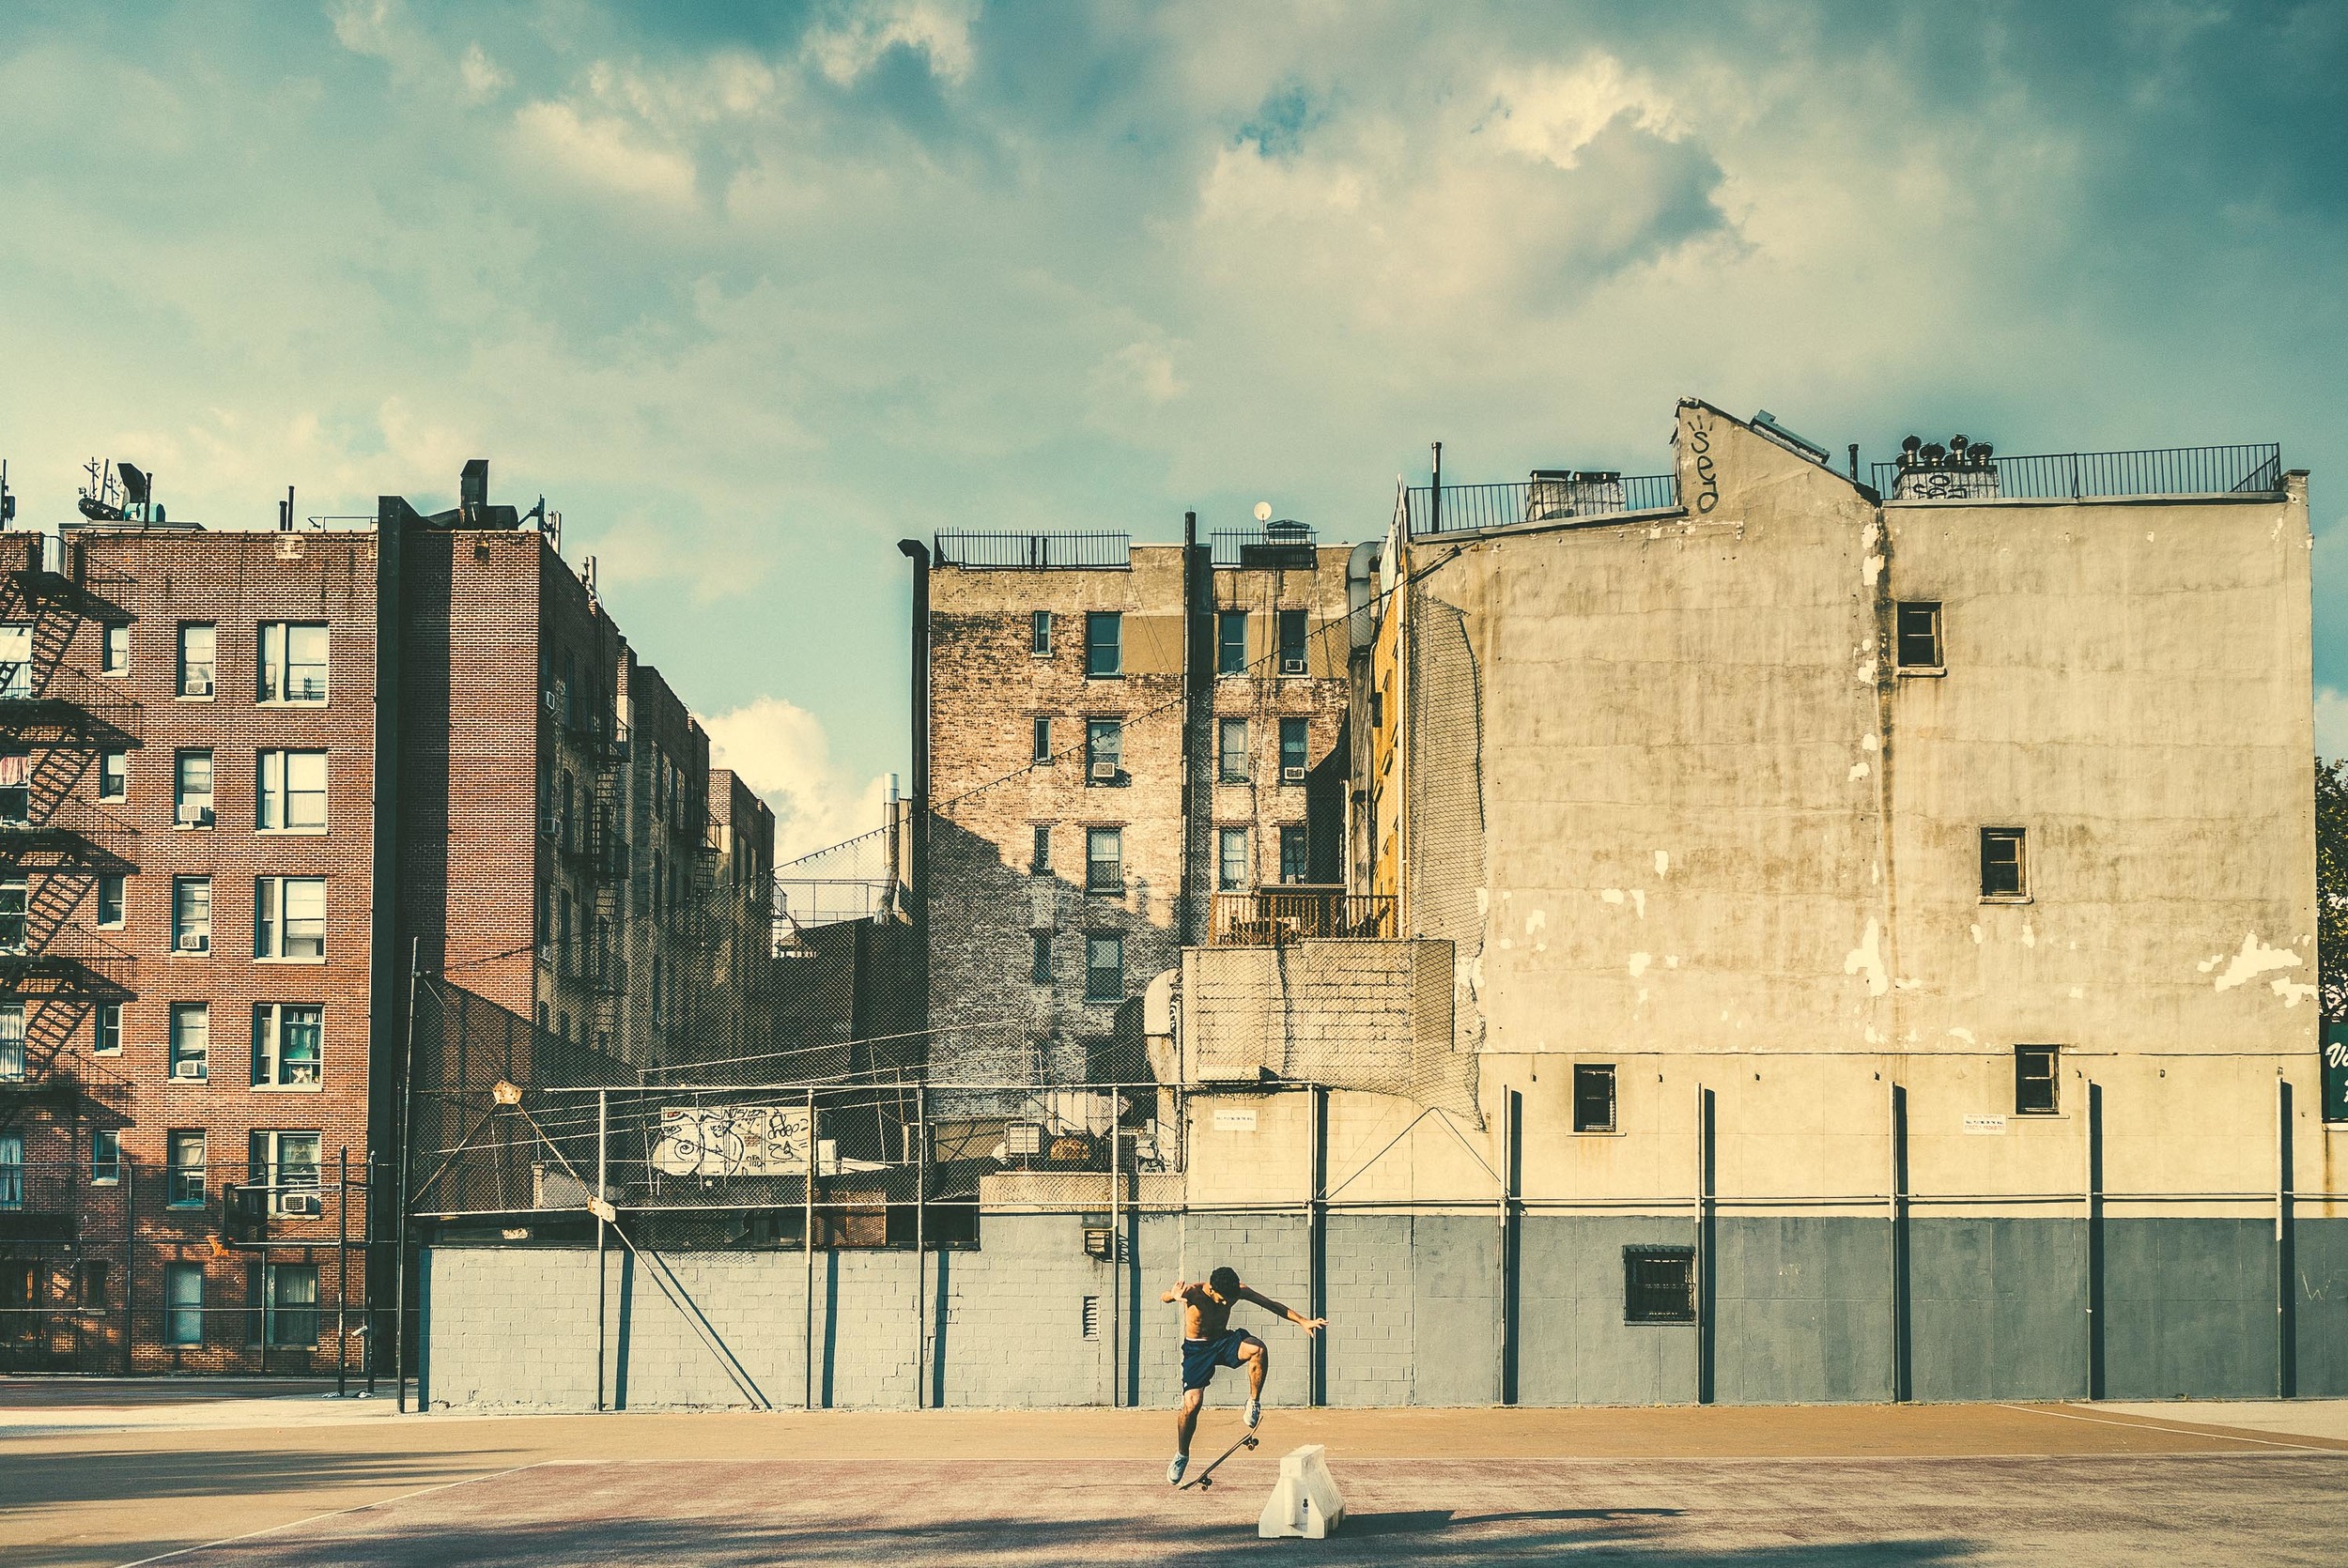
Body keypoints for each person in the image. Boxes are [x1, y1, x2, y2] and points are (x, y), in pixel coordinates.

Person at [1163, 1266, 1324, 1485]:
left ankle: (1253, 1402)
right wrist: (1172, 1296)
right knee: (1192, 1405)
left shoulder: (1237, 1291)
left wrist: (1303, 1321)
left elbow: (1272, 1305)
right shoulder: (1195, 1292)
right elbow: (1165, 1297)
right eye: (1221, 1301)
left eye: (1230, 1301)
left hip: (1223, 1341)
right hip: (1197, 1350)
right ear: (1211, 1290)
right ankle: (1182, 1455)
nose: (1226, 1304)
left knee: (1258, 1349)